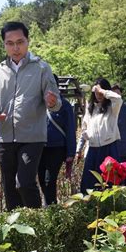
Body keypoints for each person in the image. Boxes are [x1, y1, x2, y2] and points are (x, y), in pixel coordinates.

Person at [0, 21, 61, 211]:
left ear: (28, 41)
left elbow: (56, 101)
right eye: (10, 43)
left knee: (24, 182)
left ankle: (36, 225)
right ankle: (16, 234)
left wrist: (52, 102)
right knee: (10, 189)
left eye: (20, 42)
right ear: (4, 45)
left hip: (32, 137)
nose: (16, 48)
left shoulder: (41, 68)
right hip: (5, 137)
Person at [76, 78, 122, 194]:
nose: (98, 95)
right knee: (88, 183)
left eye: (100, 92)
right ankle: (90, 208)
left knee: (109, 183)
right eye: (96, 92)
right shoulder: (90, 108)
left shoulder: (112, 107)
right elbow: (84, 128)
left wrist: (103, 91)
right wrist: (79, 148)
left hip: (109, 147)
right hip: (93, 148)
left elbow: (118, 98)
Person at [37, 75, 76, 205]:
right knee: (41, 179)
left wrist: (71, 153)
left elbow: (70, 129)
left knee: (49, 180)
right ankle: (49, 205)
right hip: (39, 147)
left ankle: (51, 209)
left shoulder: (64, 105)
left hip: (57, 148)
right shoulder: (38, 104)